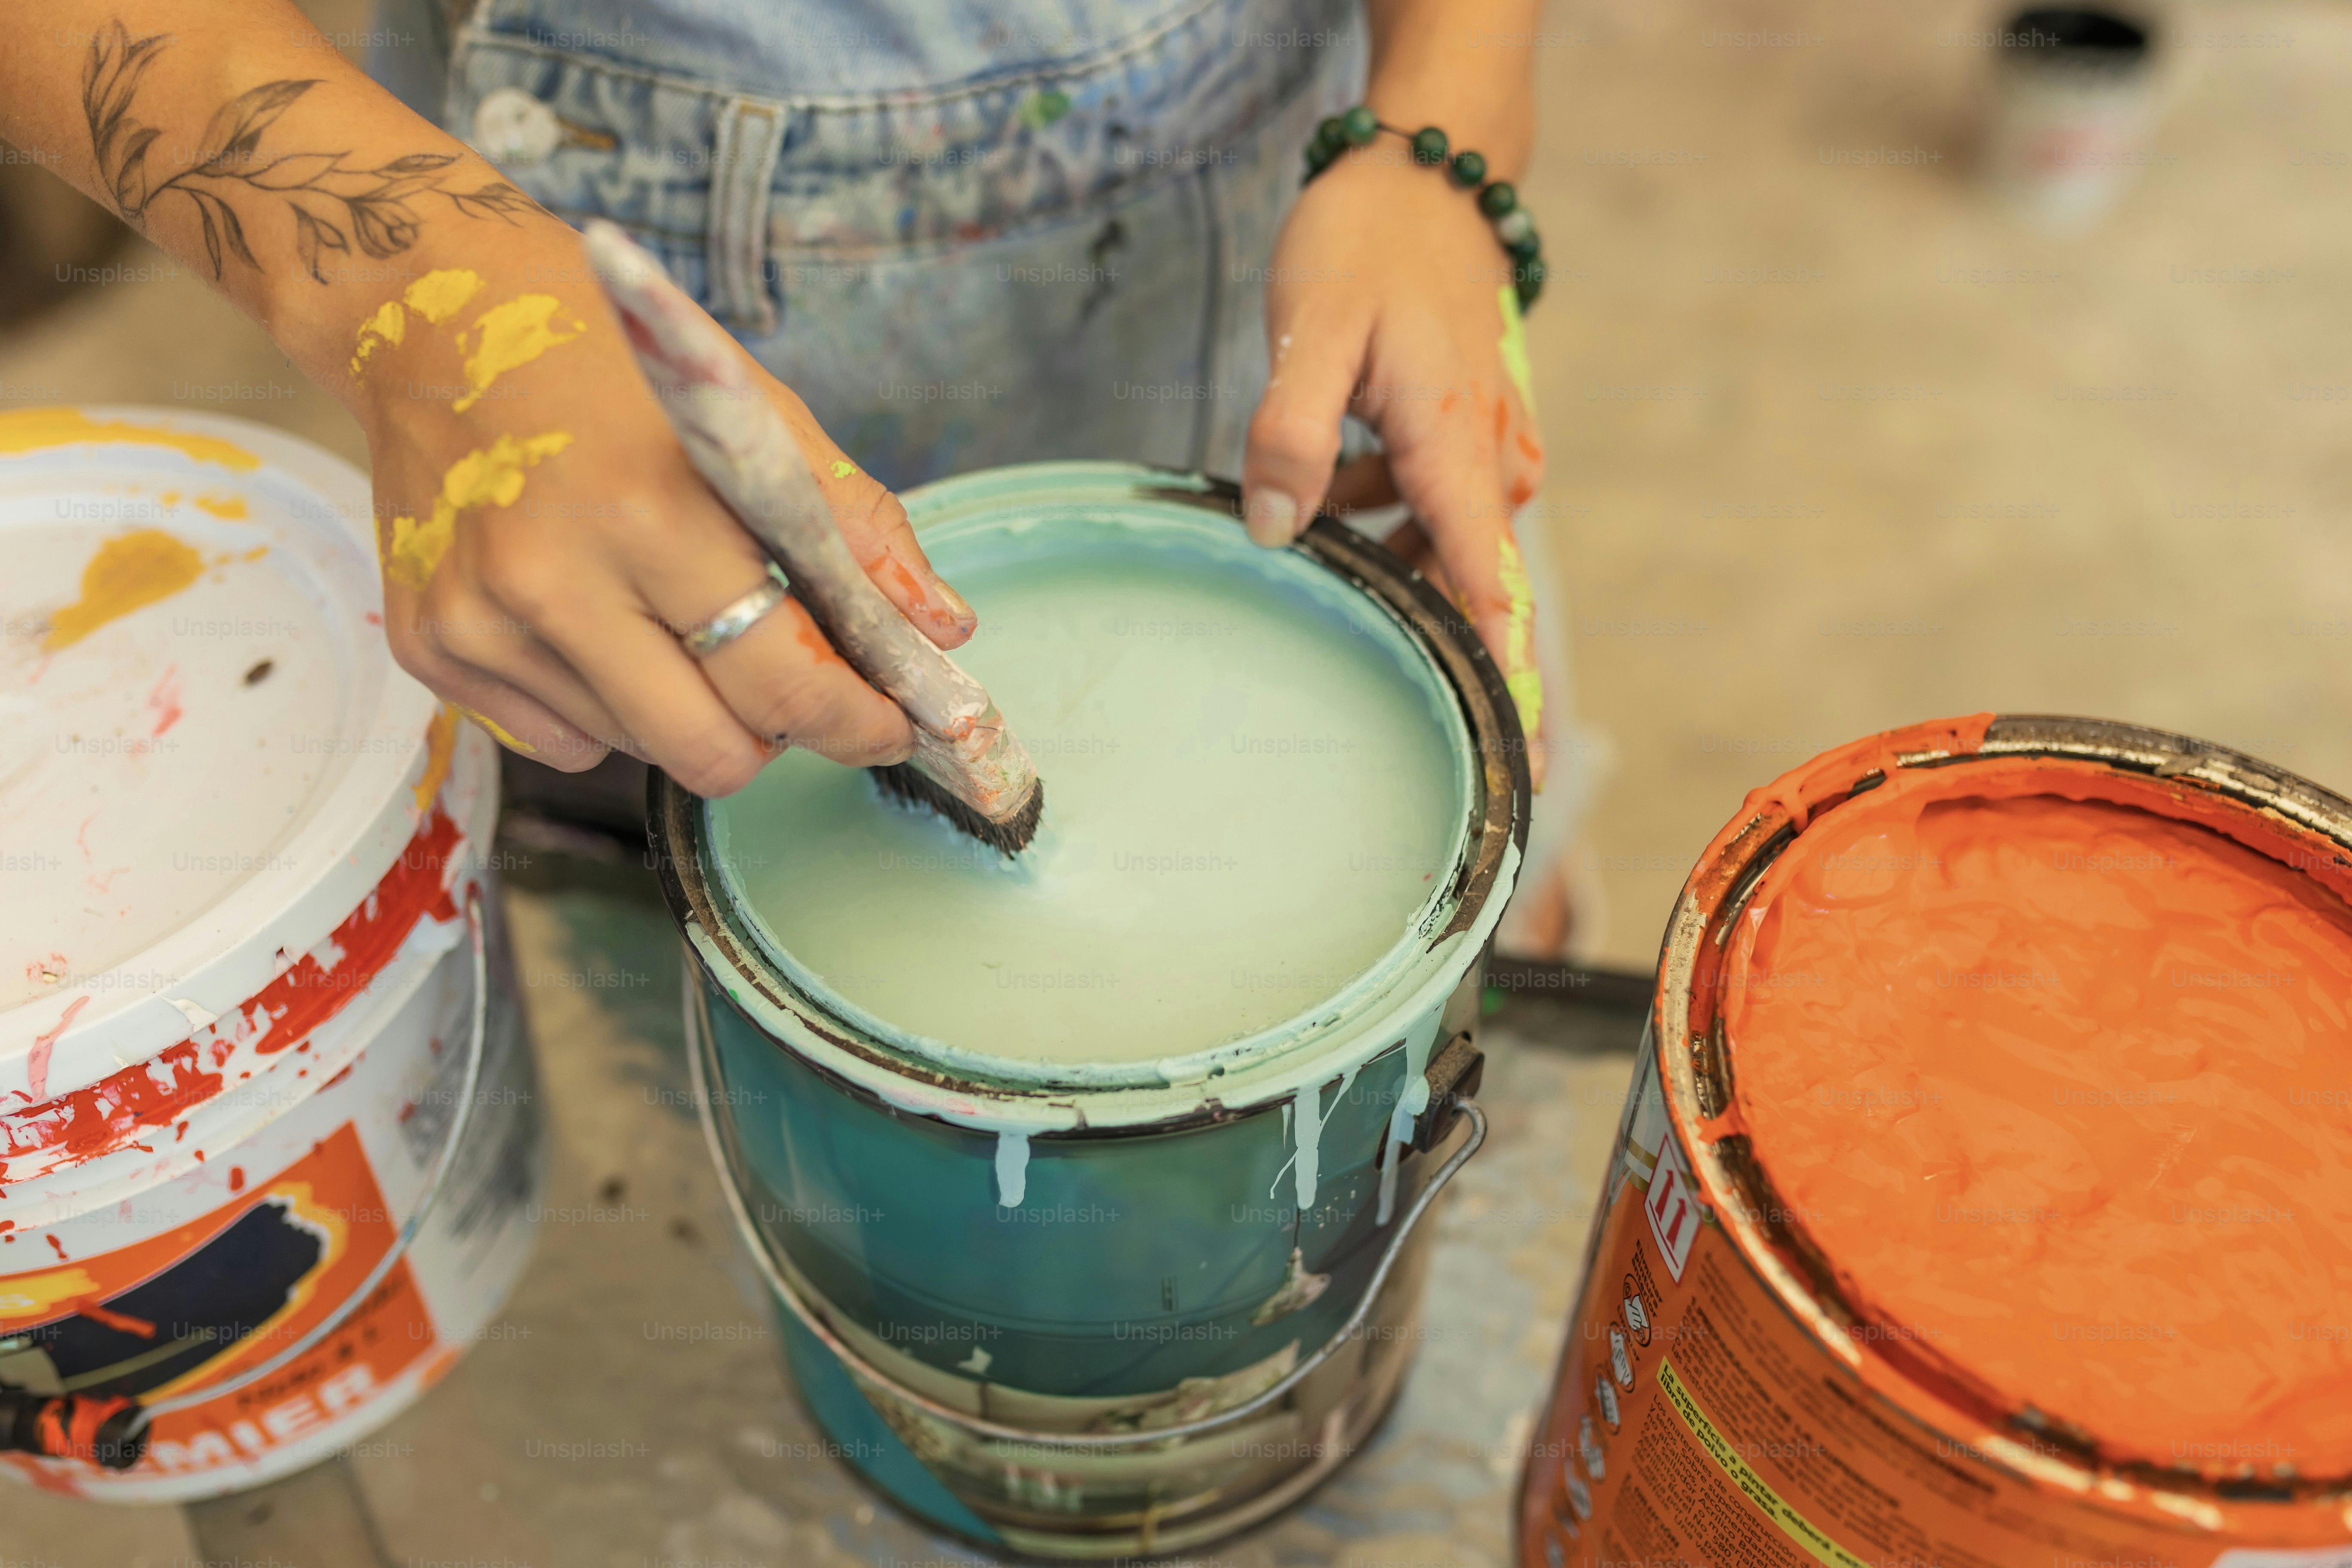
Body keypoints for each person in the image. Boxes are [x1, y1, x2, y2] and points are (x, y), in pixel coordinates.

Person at [0, 0, 1595, 955]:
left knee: (1463, 959)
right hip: (622, 520)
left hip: (1304, 334)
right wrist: (415, 298)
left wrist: (1445, 123)